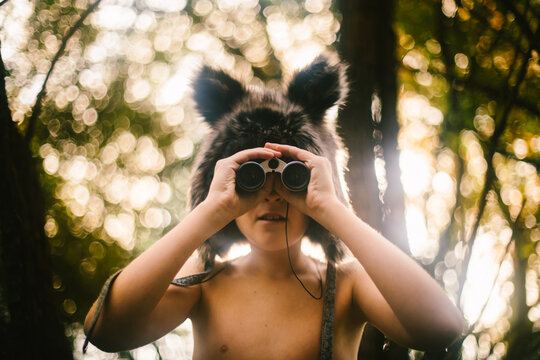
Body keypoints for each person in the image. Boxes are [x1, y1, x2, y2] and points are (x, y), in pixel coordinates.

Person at [84, 55, 464, 359]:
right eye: (251, 178)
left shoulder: (347, 285)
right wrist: (208, 212)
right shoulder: (204, 281)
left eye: (289, 177)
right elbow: (105, 331)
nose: (271, 193)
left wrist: (332, 210)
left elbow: (440, 328)